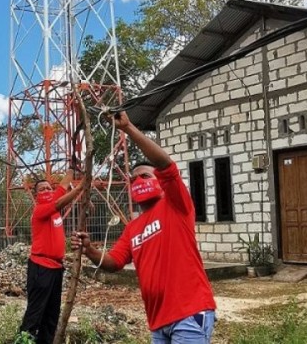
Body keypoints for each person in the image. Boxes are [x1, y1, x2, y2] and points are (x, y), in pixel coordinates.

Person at [70, 112, 217, 343]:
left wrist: (128, 128)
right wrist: (89, 249)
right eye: (133, 179)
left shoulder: (176, 205)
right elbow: (114, 262)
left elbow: (166, 164)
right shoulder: (133, 228)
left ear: (160, 182)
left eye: (145, 176)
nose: (138, 182)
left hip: (189, 313)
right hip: (158, 323)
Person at [19, 169, 84, 344]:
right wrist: (78, 190)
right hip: (41, 267)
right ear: (36, 194)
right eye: (42, 189)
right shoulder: (40, 210)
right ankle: (24, 341)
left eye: (49, 188)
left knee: (51, 315)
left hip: (56, 268)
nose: (47, 191)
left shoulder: (55, 199)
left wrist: (73, 168)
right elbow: (59, 203)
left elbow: (63, 184)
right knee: (35, 314)